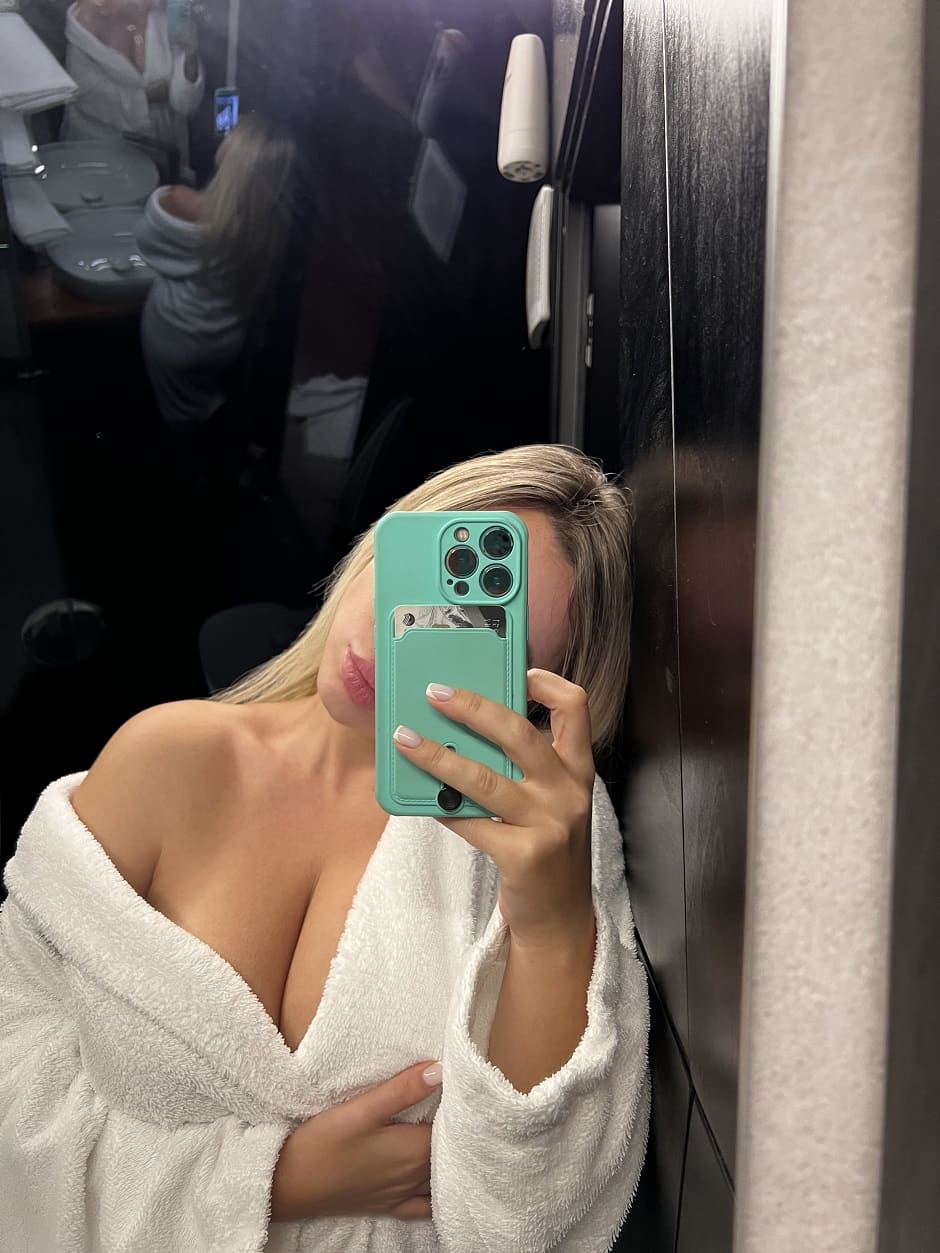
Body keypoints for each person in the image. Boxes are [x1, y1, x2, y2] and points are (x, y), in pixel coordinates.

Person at [0, 444, 650, 1252]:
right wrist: (274, 1183)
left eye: (472, 633)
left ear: (530, 702)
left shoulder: (537, 850)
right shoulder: (163, 759)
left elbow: (525, 1223)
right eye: (422, 573)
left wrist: (551, 925)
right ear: (383, 540)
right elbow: (13, 1065)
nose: (401, 634)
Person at [135, 113, 297, 432]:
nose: (225, 135)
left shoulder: (181, 202)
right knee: (202, 401)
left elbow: (145, 241)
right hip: (223, 337)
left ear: (236, 156)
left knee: (176, 412)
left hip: (176, 329)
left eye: (233, 134)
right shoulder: (272, 223)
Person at [62, 0, 203, 152]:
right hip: (97, 150)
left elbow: (187, 104)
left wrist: (190, 56)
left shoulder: (170, 18)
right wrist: (147, 98)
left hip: (162, 150)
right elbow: (87, 95)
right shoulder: (84, 22)